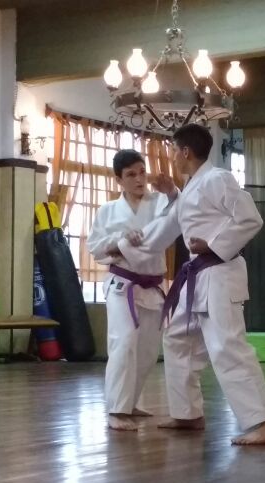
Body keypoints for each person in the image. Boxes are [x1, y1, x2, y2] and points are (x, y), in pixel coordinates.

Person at [114, 124, 265, 446]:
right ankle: (187, 413)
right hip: (197, 277)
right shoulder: (192, 187)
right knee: (177, 338)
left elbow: (250, 218)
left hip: (220, 273)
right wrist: (123, 247)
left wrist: (214, 244)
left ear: (185, 152)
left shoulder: (217, 179)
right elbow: (167, 228)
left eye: (173, 151)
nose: (171, 157)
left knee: (227, 346)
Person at [86, 149, 176, 431]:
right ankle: (116, 410)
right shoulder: (108, 211)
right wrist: (120, 239)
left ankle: (130, 402)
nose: (139, 179)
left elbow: (182, 215)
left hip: (152, 285)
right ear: (119, 180)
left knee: (147, 350)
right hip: (122, 285)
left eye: (142, 172)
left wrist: (172, 192)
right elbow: (95, 248)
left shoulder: (160, 201)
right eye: (131, 175)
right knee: (123, 341)